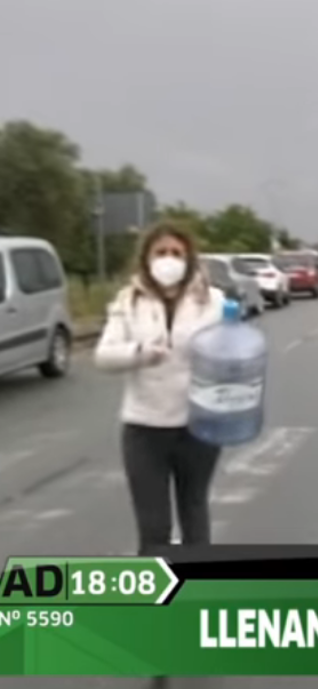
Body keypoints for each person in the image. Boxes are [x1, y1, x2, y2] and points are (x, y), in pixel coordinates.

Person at [94, 222, 227, 555]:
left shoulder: (212, 301)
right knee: (153, 527)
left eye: (176, 253)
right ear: (147, 258)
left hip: (198, 426)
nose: (169, 260)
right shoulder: (129, 301)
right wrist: (138, 353)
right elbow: (103, 356)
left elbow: (230, 354)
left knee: (194, 513)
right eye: (161, 252)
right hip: (145, 428)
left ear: (189, 259)